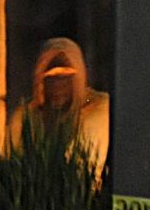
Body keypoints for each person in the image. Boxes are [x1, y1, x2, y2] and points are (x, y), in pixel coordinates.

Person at [8, 37, 110, 169]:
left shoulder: (98, 109)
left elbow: (81, 168)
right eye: (50, 77)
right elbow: (12, 163)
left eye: (65, 77)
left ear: (78, 79)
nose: (58, 85)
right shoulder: (26, 117)